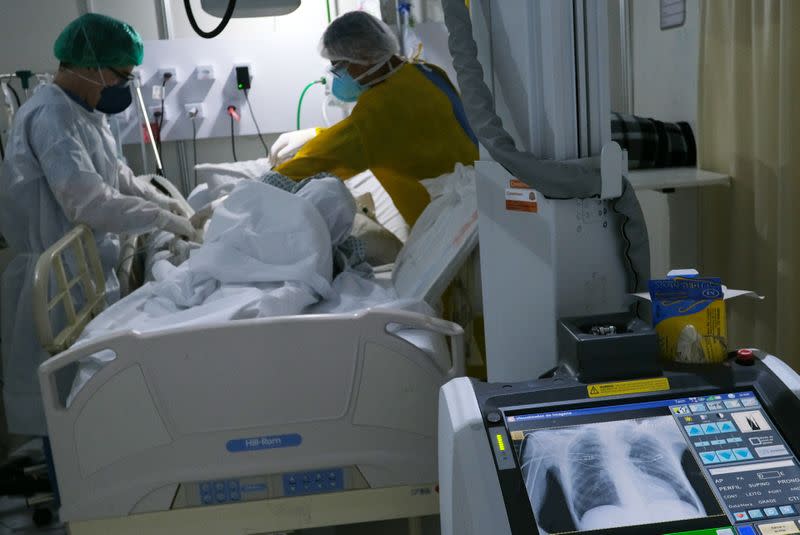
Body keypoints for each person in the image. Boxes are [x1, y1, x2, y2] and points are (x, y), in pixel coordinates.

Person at [0, 13, 194, 437]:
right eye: (120, 75)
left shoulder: (85, 111)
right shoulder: (51, 117)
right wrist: (161, 219)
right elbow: (88, 201)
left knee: (91, 396)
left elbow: (118, 176)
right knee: (62, 404)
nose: (123, 86)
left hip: (84, 268)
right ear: (88, 66)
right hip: (55, 279)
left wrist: (169, 204)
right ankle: (60, 474)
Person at [269, 11, 479, 227]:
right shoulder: (427, 72)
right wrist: (316, 134)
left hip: (447, 229)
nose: (339, 76)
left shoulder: (378, 108)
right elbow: (391, 134)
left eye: (340, 67)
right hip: (483, 204)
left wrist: (263, 185)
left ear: (365, 56)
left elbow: (316, 162)